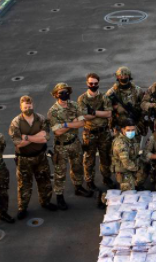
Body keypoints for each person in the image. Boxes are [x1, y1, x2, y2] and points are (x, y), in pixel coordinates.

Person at [9, 96, 58, 220]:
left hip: (40, 156)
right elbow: (18, 143)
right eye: (25, 107)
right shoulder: (16, 122)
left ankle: (46, 202)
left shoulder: (41, 119)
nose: (28, 109)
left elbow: (45, 138)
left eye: (29, 107)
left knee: (45, 181)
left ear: (33, 105)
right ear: (21, 107)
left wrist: (27, 137)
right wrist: (37, 137)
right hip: (24, 159)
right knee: (24, 184)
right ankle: (22, 208)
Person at [47, 82, 93, 210]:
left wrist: (64, 125)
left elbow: (82, 123)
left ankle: (78, 187)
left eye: (66, 91)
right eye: (61, 92)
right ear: (56, 95)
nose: (64, 94)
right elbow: (57, 131)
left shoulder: (74, 105)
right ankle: (59, 196)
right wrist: (70, 124)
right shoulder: (53, 111)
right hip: (61, 146)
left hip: (75, 142)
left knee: (77, 167)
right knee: (60, 172)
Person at [77, 72, 115, 191]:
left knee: (106, 157)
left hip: (104, 133)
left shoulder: (104, 97)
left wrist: (92, 112)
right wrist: (100, 113)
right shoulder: (82, 99)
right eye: (91, 83)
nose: (93, 85)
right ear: (87, 83)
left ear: (98, 83)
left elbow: (109, 113)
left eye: (95, 83)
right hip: (90, 133)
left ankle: (106, 177)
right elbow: (83, 116)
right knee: (89, 158)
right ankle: (89, 180)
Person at [105, 66, 146, 136]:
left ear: (129, 76)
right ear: (117, 77)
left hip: (134, 125)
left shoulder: (137, 90)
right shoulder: (112, 92)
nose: (123, 77)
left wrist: (141, 120)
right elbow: (105, 107)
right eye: (120, 76)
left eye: (125, 75)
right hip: (119, 125)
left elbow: (144, 105)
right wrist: (116, 107)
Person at [111, 119, 144, 191]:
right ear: (123, 130)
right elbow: (127, 163)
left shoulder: (131, 138)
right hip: (124, 170)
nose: (131, 132)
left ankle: (136, 183)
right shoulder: (121, 144)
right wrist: (138, 169)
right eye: (128, 130)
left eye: (133, 130)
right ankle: (104, 197)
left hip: (132, 165)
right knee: (129, 194)